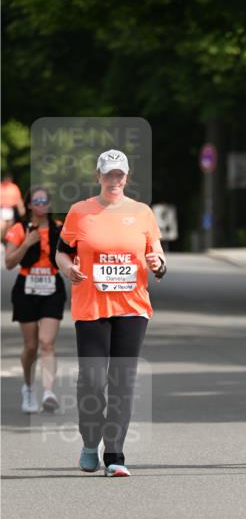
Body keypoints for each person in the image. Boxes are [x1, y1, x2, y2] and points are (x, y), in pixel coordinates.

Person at [55, 149, 166, 477]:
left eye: (119, 174)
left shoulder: (142, 213)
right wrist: (67, 270)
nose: (114, 180)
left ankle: (115, 452)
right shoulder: (80, 212)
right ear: (99, 176)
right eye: (108, 174)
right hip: (91, 307)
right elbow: (62, 253)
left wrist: (159, 263)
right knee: (92, 380)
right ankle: (90, 442)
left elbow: (155, 251)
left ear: (126, 177)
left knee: (122, 381)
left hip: (132, 308)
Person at [4, 186, 65, 413]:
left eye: (45, 201)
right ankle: (28, 388)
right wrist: (27, 243)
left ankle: (48, 391)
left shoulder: (59, 228)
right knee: (31, 346)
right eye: (36, 201)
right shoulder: (19, 229)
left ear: (49, 204)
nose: (41, 205)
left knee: (47, 343)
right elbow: (9, 263)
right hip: (26, 290)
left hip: (52, 288)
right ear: (29, 204)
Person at [1, 173, 26, 241]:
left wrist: (22, 210)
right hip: (2, 209)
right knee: (2, 226)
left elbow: (18, 200)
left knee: (9, 227)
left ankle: (6, 241)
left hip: (11, 209)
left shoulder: (14, 187)